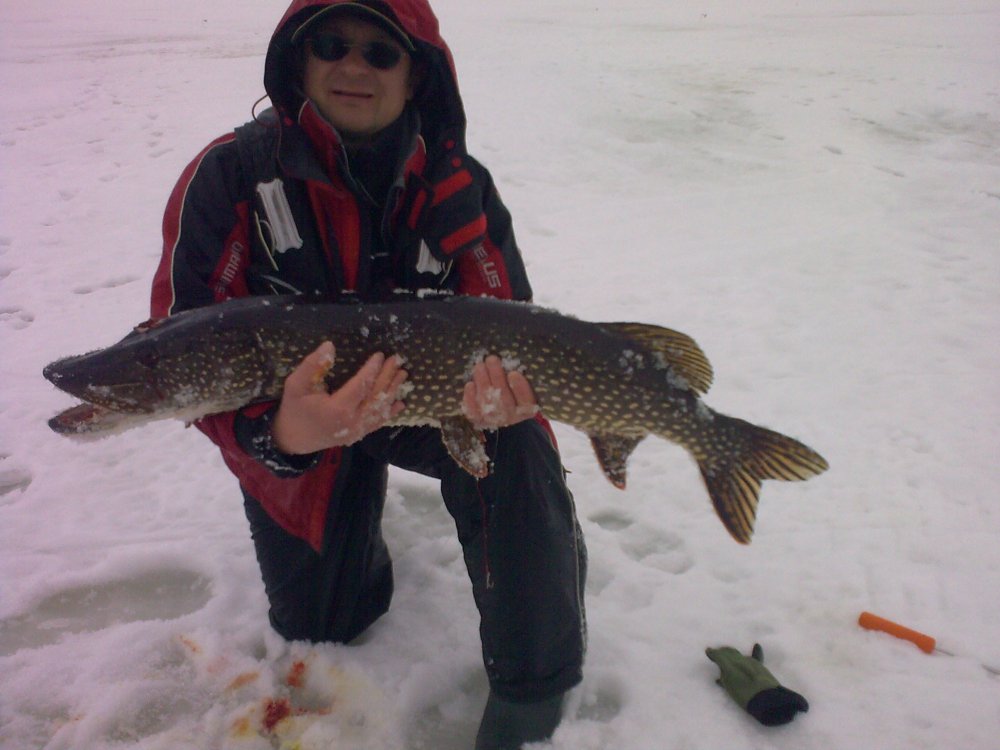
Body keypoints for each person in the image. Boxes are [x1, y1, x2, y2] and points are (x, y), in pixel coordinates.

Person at [150, 1, 586, 747]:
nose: (353, 66)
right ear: (300, 59)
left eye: (381, 52)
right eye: (331, 44)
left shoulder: (459, 186)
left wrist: (500, 399)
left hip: (432, 405)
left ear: (416, 74)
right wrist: (280, 434)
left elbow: (508, 325)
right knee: (326, 623)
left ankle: (534, 688)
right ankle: (351, 505)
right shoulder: (231, 175)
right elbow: (184, 349)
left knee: (515, 443)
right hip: (296, 433)